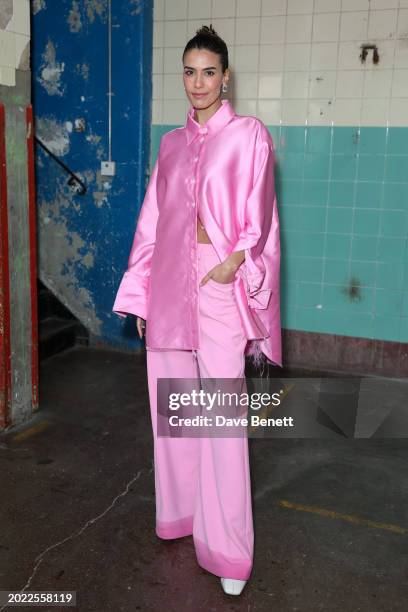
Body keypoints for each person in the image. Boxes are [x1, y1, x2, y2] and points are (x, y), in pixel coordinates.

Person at [112, 24, 282, 596]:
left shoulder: (249, 135)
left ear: (226, 76)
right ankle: (182, 517)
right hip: (168, 288)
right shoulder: (170, 144)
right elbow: (151, 225)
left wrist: (233, 261)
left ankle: (229, 552)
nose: (198, 83)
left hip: (217, 287)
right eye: (189, 71)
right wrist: (140, 295)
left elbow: (259, 217)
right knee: (177, 412)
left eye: (209, 71)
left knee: (222, 420)